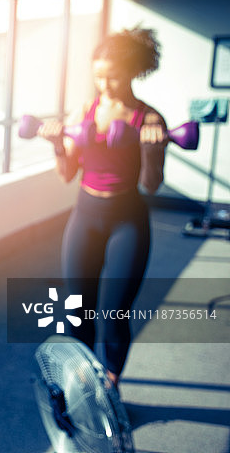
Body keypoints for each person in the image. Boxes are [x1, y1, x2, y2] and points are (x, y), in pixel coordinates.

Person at [38, 27, 166, 386]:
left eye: (112, 76)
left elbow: (151, 183)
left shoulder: (149, 119)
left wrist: (153, 152)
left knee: (113, 312)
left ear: (132, 71)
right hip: (85, 217)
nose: (104, 84)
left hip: (127, 222)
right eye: (98, 76)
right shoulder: (84, 111)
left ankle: (110, 383)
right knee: (78, 308)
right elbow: (67, 174)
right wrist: (57, 145)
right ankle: (83, 376)